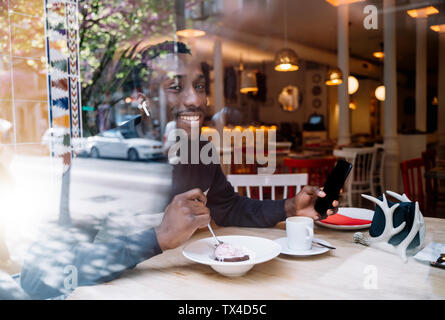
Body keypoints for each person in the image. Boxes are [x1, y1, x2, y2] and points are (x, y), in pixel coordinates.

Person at [19, 41, 339, 299]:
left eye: (199, 87)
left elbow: (229, 207)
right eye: (176, 87)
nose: (194, 99)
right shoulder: (103, 160)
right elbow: (38, 278)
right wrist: (159, 238)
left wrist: (288, 207)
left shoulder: (199, 150)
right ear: (142, 99)